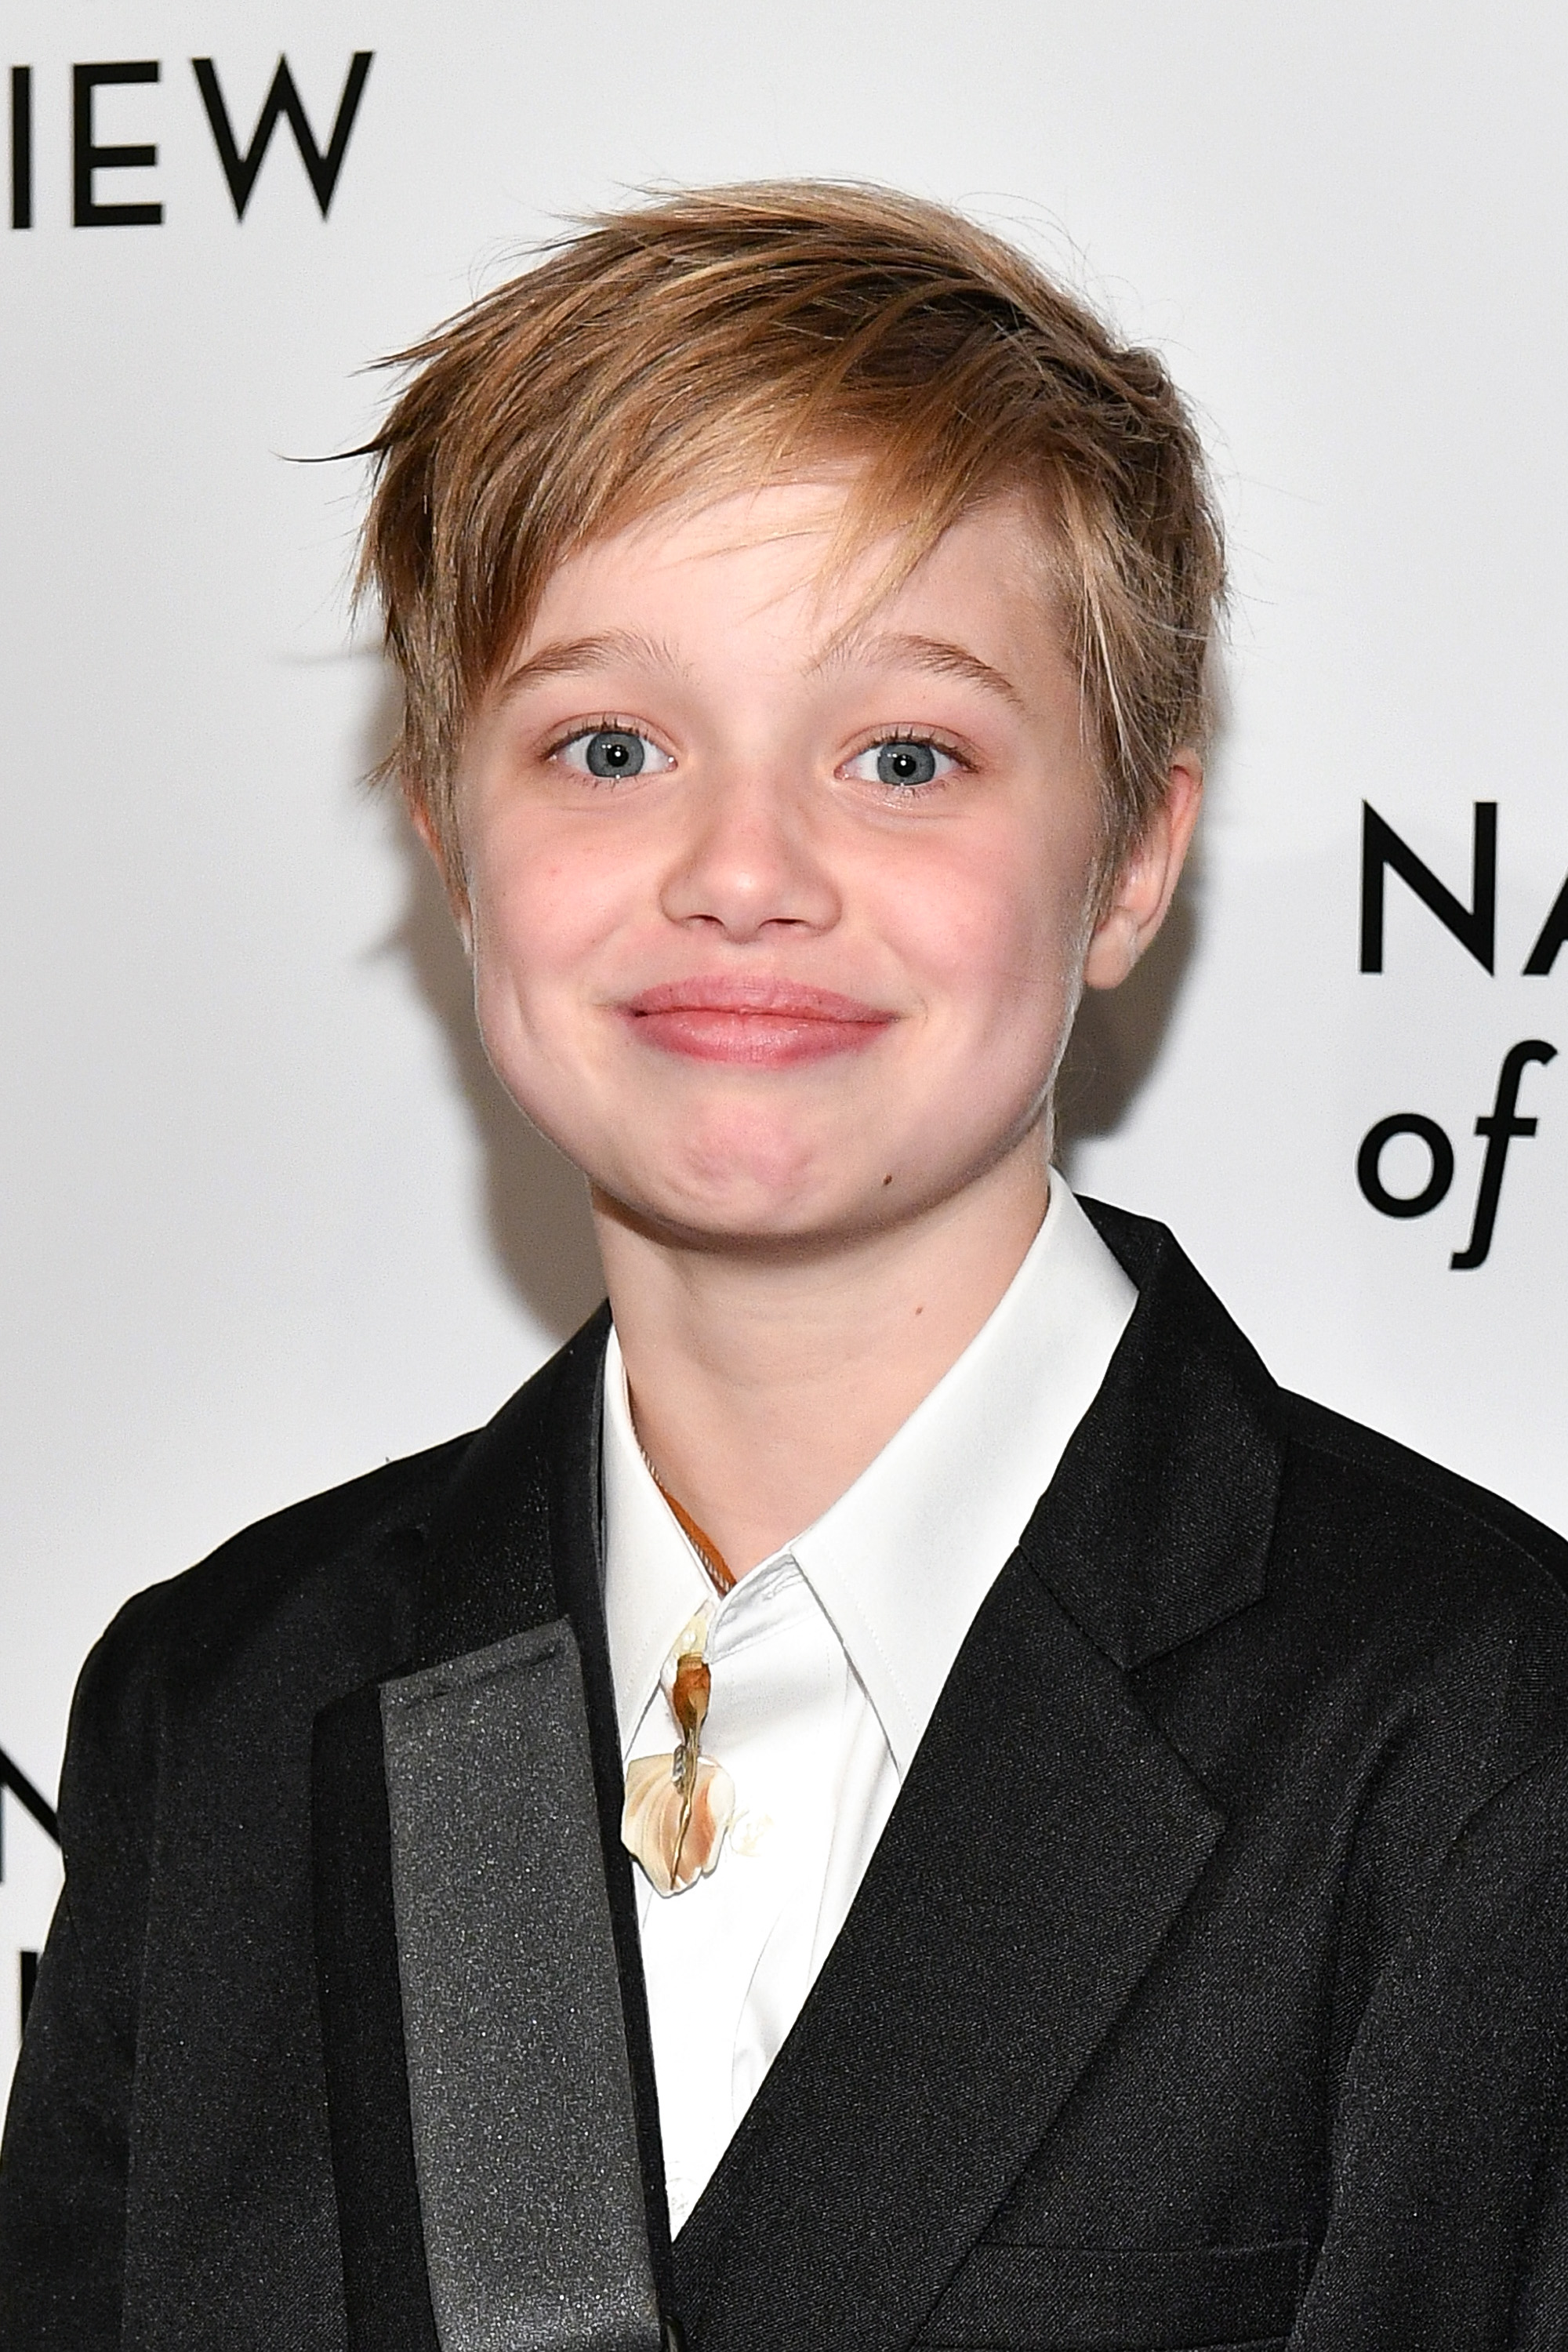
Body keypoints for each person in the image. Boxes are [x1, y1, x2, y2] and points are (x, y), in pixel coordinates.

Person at [3, 181, 1567, 2352]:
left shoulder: (1481, 1740)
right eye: (611, 749)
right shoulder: (220, 1712)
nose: (743, 870)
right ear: (451, 833)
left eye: (905, 757)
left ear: (1131, 857)